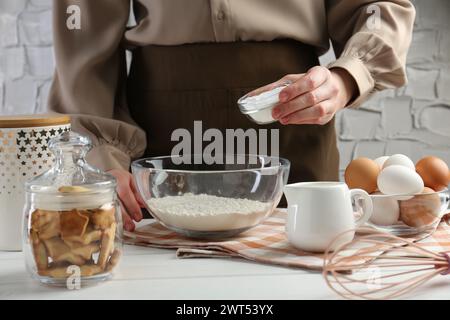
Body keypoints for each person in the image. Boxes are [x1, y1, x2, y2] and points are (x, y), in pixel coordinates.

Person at [48, 0, 415, 231]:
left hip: (291, 111)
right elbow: (83, 37)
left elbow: (378, 7)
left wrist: (345, 78)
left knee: (299, 269)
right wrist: (97, 156)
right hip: (161, 120)